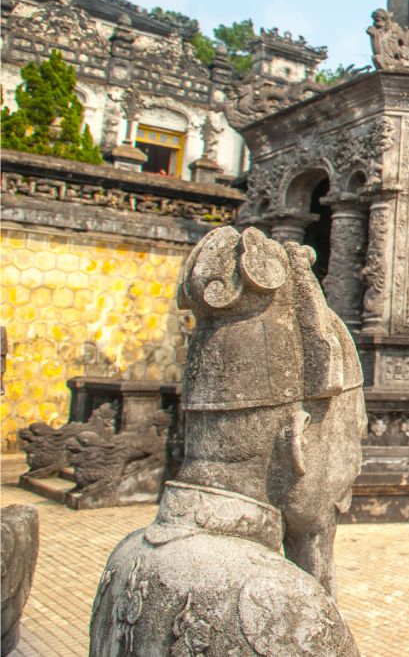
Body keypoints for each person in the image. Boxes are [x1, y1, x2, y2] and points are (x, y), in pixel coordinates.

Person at [89, 227, 364, 656]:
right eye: (351, 440)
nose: (354, 470)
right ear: (298, 441)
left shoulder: (126, 560)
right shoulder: (283, 606)